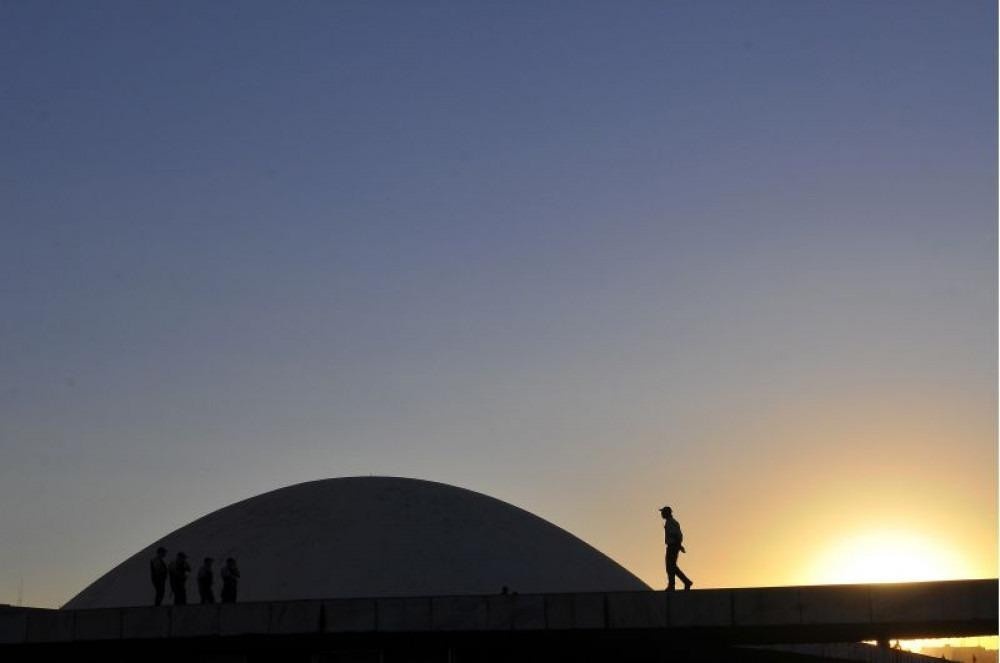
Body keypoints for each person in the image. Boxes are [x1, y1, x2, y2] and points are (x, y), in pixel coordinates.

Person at [660, 506, 693, 591]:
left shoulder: (671, 522)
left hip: (672, 546)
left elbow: (677, 535)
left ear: (667, 513)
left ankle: (677, 584)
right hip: (673, 546)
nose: (661, 514)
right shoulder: (671, 522)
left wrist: (678, 545)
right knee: (671, 566)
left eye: (663, 512)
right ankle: (679, 583)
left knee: (670, 566)